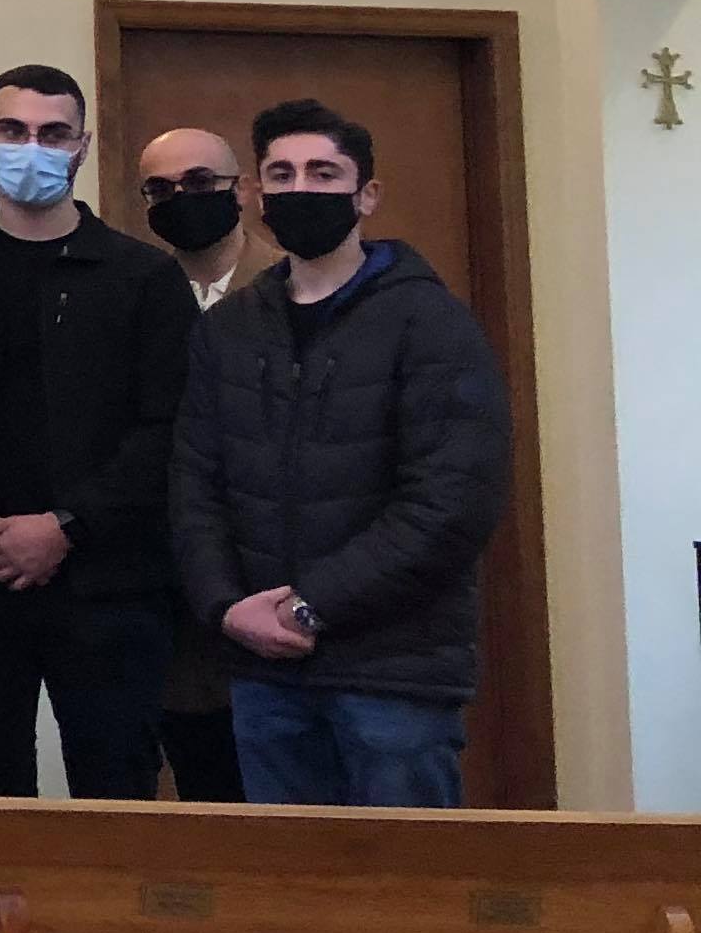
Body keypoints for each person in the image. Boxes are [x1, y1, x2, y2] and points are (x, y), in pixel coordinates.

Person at [175, 99, 513, 809]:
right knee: (289, 874)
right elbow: (195, 483)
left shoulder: (431, 323)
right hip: (262, 671)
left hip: (393, 672)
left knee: (404, 871)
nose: (301, 188)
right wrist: (226, 607)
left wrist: (310, 607)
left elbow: (452, 501)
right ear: (256, 194)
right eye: (282, 174)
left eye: (323, 173)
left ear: (367, 194)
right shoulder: (229, 330)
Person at [0, 64, 195, 801]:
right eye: (14, 130)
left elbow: (169, 428)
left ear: (82, 146)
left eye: (53, 134)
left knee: (116, 799)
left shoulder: (144, 278)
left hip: (109, 585)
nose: (32, 147)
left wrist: (65, 525)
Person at [135, 123, 275, 800]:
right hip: (174, 588)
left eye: (199, 182)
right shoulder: (136, 288)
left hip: (276, 574)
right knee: (205, 787)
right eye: (160, 189)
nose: (181, 199)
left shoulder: (288, 282)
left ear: (241, 190)